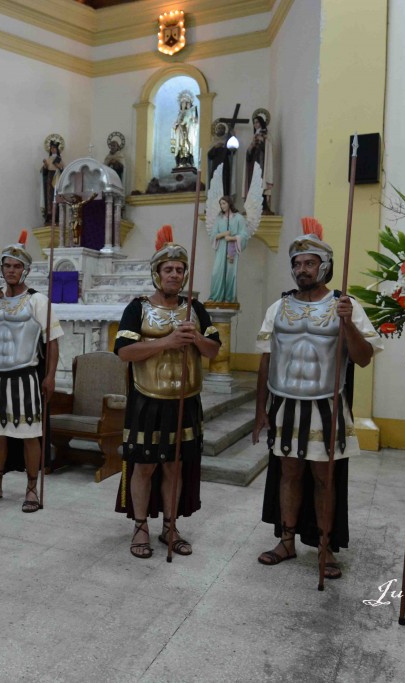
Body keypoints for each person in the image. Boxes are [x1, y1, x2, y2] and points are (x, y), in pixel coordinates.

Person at [252, 217, 380, 579]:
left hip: (327, 404)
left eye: (309, 262)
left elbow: (364, 357)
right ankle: (287, 540)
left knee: (325, 479)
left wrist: (348, 323)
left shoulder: (346, 305)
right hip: (285, 402)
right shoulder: (278, 308)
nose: (301, 269)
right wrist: (260, 409)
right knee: (288, 474)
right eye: (296, 263)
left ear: (324, 265)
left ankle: (325, 546)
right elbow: (266, 359)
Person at [114, 226, 221, 558]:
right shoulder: (138, 307)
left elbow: (213, 351)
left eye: (179, 269)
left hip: (185, 400)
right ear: (157, 273)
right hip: (147, 399)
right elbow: (123, 352)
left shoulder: (195, 309)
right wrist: (167, 342)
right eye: (168, 269)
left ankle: (170, 527)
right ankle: (141, 526)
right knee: (144, 466)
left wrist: (195, 339)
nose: (174, 274)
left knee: (175, 466)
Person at [0, 231, 61, 513]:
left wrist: (50, 376)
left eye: (16, 266)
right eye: (7, 265)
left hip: (25, 375)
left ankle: (31, 488)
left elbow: (53, 340)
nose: (11, 270)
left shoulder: (37, 300)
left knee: (29, 434)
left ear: (26, 270)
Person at [207, 196, 250, 304]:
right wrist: (223, 234)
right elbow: (213, 235)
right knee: (217, 272)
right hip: (221, 248)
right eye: (221, 204)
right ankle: (215, 297)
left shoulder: (239, 218)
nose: (222, 206)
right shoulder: (219, 218)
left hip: (232, 249)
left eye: (224, 203)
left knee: (231, 273)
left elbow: (244, 235)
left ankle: (229, 298)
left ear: (229, 203)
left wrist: (232, 238)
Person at [170, 90, 199, 170]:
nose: (184, 104)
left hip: (187, 133)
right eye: (182, 102)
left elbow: (194, 122)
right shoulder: (179, 113)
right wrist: (175, 126)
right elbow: (176, 123)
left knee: (186, 146)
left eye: (185, 102)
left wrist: (189, 123)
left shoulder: (191, 112)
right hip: (180, 133)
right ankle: (180, 162)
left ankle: (187, 162)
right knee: (179, 146)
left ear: (188, 103)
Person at [41, 139, 65, 223]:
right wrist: (45, 165)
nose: (53, 149)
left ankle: (57, 215)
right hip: (49, 178)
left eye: (54, 148)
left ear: (57, 149)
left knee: (56, 195)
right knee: (49, 196)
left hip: (57, 178)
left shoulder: (59, 159)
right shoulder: (48, 159)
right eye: (51, 148)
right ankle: (50, 214)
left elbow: (62, 170)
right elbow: (44, 172)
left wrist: (58, 166)